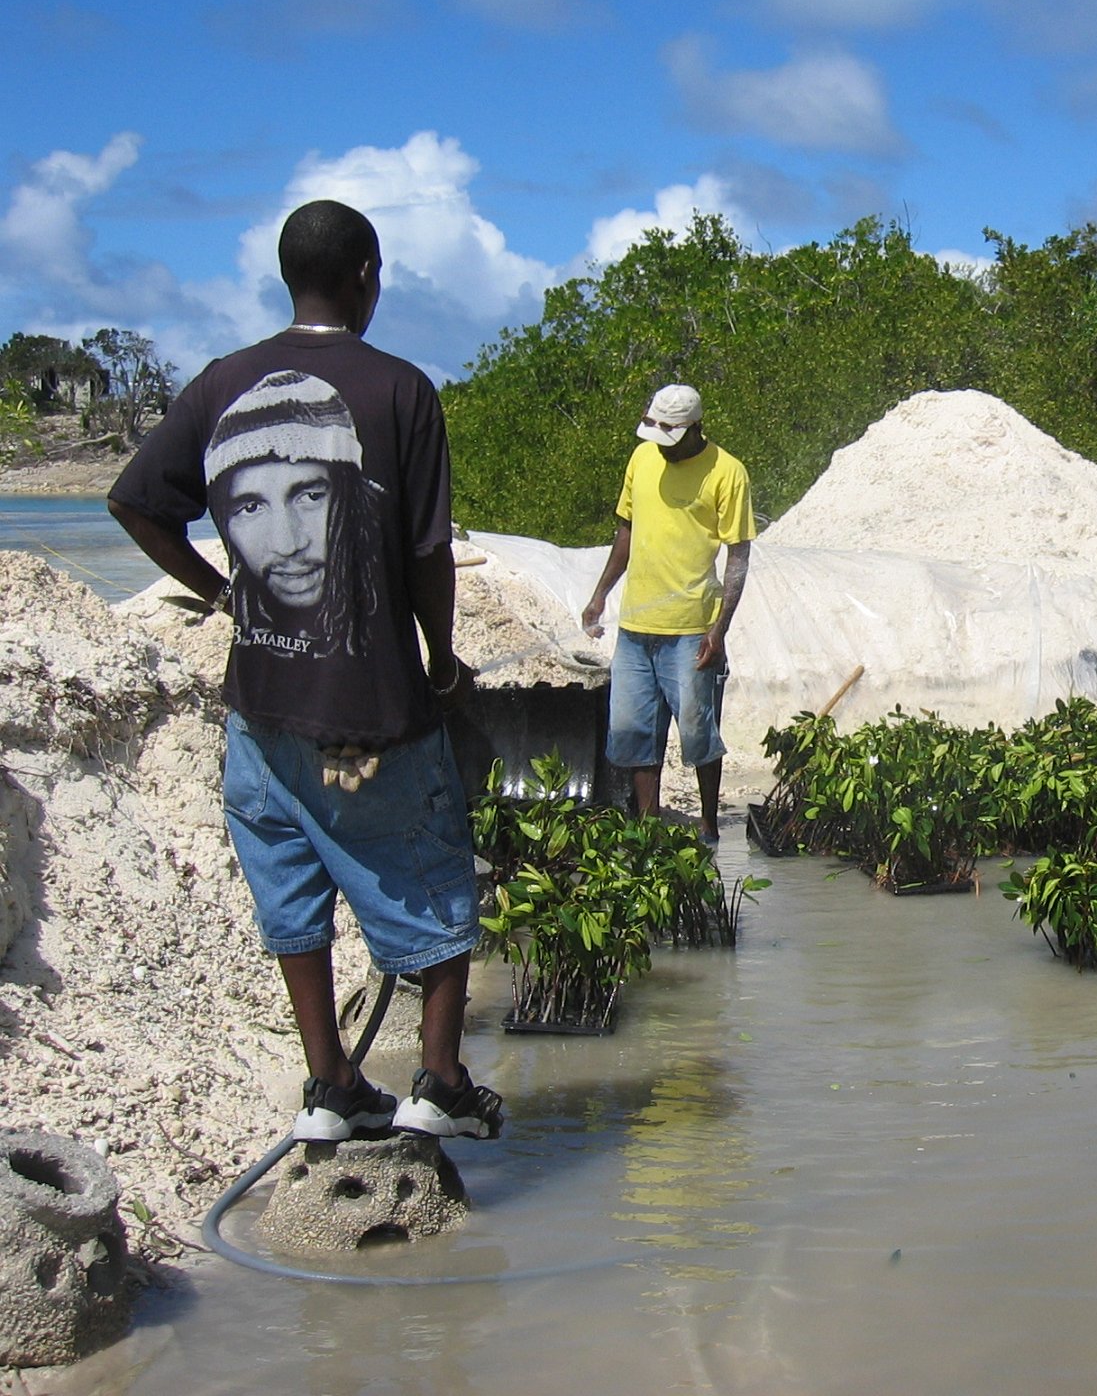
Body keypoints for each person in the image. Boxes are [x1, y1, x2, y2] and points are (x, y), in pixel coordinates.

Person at [109, 198, 504, 1144]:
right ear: (367, 275)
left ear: (290, 277)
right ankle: (439, 1080)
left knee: (290, 894)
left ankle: (329, 1085)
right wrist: (442, 662)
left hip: (257, 715)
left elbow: (134, 501)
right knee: (439, 884)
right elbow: (425, 555)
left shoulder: (219, 383)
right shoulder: (401, 389)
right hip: (369, 715)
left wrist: (219, 591)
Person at [580, 383, 755, 839]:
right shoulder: (642, 459)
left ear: (696, 428)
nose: (664, 448)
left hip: (692, 631)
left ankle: (710, 826)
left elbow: (738, 556)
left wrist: (718, 630)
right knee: (634, 731)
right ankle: (648, 825)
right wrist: (600, 594)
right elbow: (625, 531)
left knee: (699, 734)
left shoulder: (727, 472)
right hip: (637, 628)